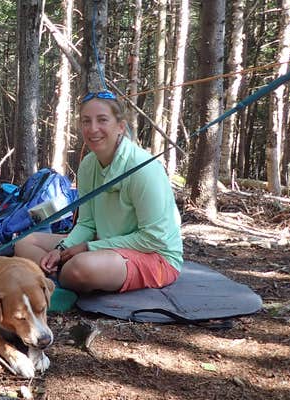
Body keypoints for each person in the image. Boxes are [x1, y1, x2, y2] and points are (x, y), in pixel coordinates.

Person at [14, 91, 183, 293]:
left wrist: (88, 248)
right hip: (103, 243)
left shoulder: (143, 168)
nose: (93, 129)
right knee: (24, 242)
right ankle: (54, 274)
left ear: (121, 126)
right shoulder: (88, 165)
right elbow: (87, 223)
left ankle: (54, 276)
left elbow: (154, 238)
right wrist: (61, 250)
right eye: (86, 121)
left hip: (155, 256)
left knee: (80, 268)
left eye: (102, 120)